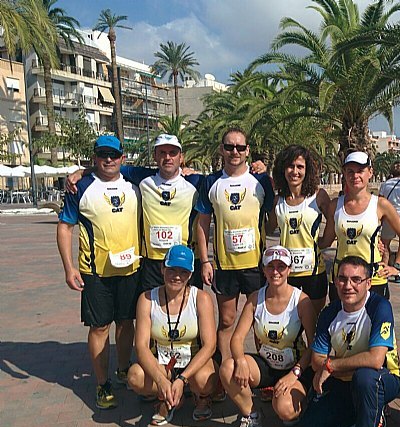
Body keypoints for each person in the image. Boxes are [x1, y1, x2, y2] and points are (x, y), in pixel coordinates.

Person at [57, 135, 141, 409]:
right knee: (100, 326)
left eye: (113, 155)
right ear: (94, 158)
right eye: (102, 155)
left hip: (131, 268)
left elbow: (169, 171)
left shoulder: (134, 180)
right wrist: (69, 268)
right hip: (96, 272)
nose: (108, 160)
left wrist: (186, 169)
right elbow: (65, 227)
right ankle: (103, 384)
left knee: (127, 321)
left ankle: (123, 369)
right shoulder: (80, 186)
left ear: (122, 158)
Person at [297, 255, 400, 427]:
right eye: (343, 279)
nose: (348, 286)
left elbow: (375, 359)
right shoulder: (330, 312)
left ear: (368, 283)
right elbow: (316, 360)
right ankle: (371, 416)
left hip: (383, 377)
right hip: (344, 380)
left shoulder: (379, 307)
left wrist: (331, 366)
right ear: (335, 282)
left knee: (365, 377)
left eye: (356, 279)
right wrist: (327, 366)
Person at [67, 133, 205, 292]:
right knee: (150, 313)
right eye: (162, 152)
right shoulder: (142, 177)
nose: (167, 157)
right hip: (151, 265)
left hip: (184, 261)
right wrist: (81, 172)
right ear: (154, 156)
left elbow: (222, 181)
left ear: (181, 157)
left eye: (173, 153)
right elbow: (110, 166)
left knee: (188, 311)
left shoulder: (196, 181)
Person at [219, 246, 316, 427]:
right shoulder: (256, 298)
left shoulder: (302, 301)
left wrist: (295, 374)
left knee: (285, 410)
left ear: (289, 269)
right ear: (263, 270)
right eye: (270, 266)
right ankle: (252, 415)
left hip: (294, 367)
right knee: (228, 368)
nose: (275, 272)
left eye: (281, 266)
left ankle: (300, 402)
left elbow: (314, 344)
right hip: (267, 365)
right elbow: (236, 339)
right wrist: (240, 361)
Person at [196, 127, 275, 360]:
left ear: (247, 151)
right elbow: (202, 225)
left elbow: (272, 220)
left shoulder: (261, 181)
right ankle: (226, 372)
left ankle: (265, 372)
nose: (234, 151)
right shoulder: (211, 182)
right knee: (227, 320)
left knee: (259, 321)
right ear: (222, 149)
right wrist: (204, 261)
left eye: (240, 147)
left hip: (255, 266)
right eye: (229, 146)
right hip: (225, 267)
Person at [127, 245, 218, 425]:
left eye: (183, 272)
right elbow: (141, 347)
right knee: (134, 376)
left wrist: (183, 379)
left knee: (204, 380)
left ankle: (201, 396)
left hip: (193, 365)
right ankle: (166, 396)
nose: (177, 276)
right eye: (172, 270)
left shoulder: (201, 298)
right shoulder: (146, 299)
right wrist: (160, 380)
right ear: (162, 268)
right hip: (162, 364)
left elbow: (210, 346)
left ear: (191, 274)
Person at [321, 151, 400, 301]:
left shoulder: (381, 204)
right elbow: (326, 241)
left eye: (360, 171)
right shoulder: (335, 205)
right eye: (350, 172)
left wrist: (397, 266)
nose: (355, 176)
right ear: (344, 174)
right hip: (341, 280)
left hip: (373, 279)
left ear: (370, 172)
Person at [266, 144, 331, 316]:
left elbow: (336, 220)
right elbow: (267, 228)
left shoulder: (318, 196)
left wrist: (324, 242)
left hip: (314, 273)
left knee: (314, 325)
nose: (295, 171)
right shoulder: (277, 200)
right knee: (290, 324)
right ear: (283, 169)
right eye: (290, 166)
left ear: (307, 170)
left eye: (300, 167)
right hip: (286, 273)